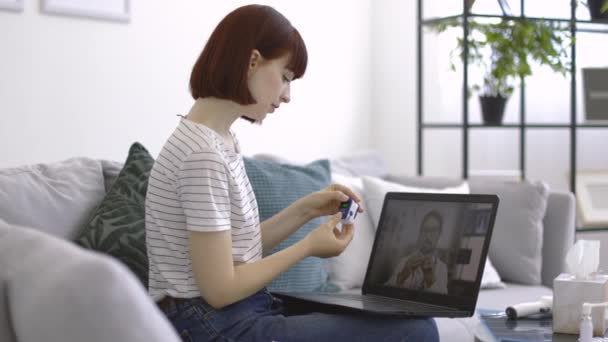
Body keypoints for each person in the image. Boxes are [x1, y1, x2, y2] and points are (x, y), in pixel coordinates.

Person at [145, 4, 439, 341]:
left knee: (403, 318)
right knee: (415, 330)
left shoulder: (218, 140)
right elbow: (220, 289)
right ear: (251, 61)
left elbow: (236, 251)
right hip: (215, 324)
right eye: (285, 77)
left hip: (232, 312)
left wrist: (307, 210)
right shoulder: (201, 155)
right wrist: (307, 246)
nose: (286, 95)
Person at [385, 210, 448, 293]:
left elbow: (442, 303)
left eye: (433, 230)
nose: (428, 235)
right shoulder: (404, 261)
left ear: (439, 234)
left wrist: (431, 282)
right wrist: (403, 275)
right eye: (425, 230)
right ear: (420, 233)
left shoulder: (442, 268)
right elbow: (384, 292)